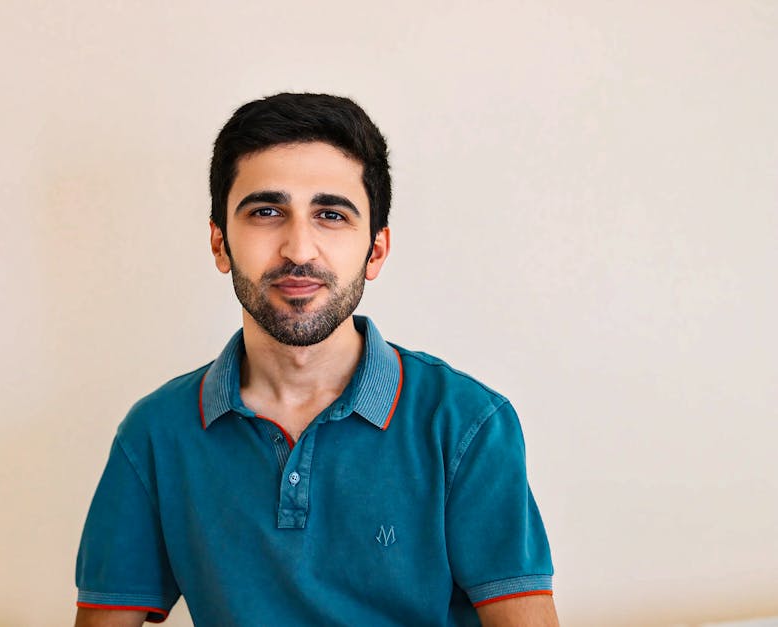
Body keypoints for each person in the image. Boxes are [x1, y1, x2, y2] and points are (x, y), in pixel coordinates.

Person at [74, 93, 557, 627]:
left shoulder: (466, 423)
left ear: (375, 250)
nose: (299, 249)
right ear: (220, 243)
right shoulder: (155, 433)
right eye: (266, 212)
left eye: (331, 215)